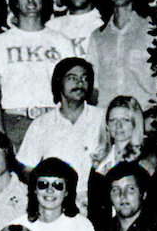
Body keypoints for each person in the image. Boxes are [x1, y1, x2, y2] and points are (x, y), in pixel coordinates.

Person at [0, 0, 72, 146]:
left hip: (53, 120)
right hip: (15, 123)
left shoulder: (62, 42)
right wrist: (1, 136)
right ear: (15, 2)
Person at [17, 57, 106, 206]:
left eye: (84, 78)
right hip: (56, 203)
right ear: (58, 82)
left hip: (97, 201)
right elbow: (28, 170)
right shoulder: (41, 124)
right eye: (72, 78)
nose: (80, 83)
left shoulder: (103, 119)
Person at [87, 0, 157, 110]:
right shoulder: (97, 37)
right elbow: (93, 87)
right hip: (108, 116)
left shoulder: (152, 30)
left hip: (146, 115)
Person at [10, 157, 97, 231]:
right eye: (43, 184)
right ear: (35, 190)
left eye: (58, 185)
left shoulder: (82, 226)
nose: (50, 190)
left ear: (67, 192)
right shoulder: (19, 227)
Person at [87, 96, 153, 225]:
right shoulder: (100, 161)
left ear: (135, 123)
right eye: (113, 120)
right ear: (106, 125)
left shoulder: (146, 159)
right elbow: (94, 209)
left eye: (125, 120)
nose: (118, 126)